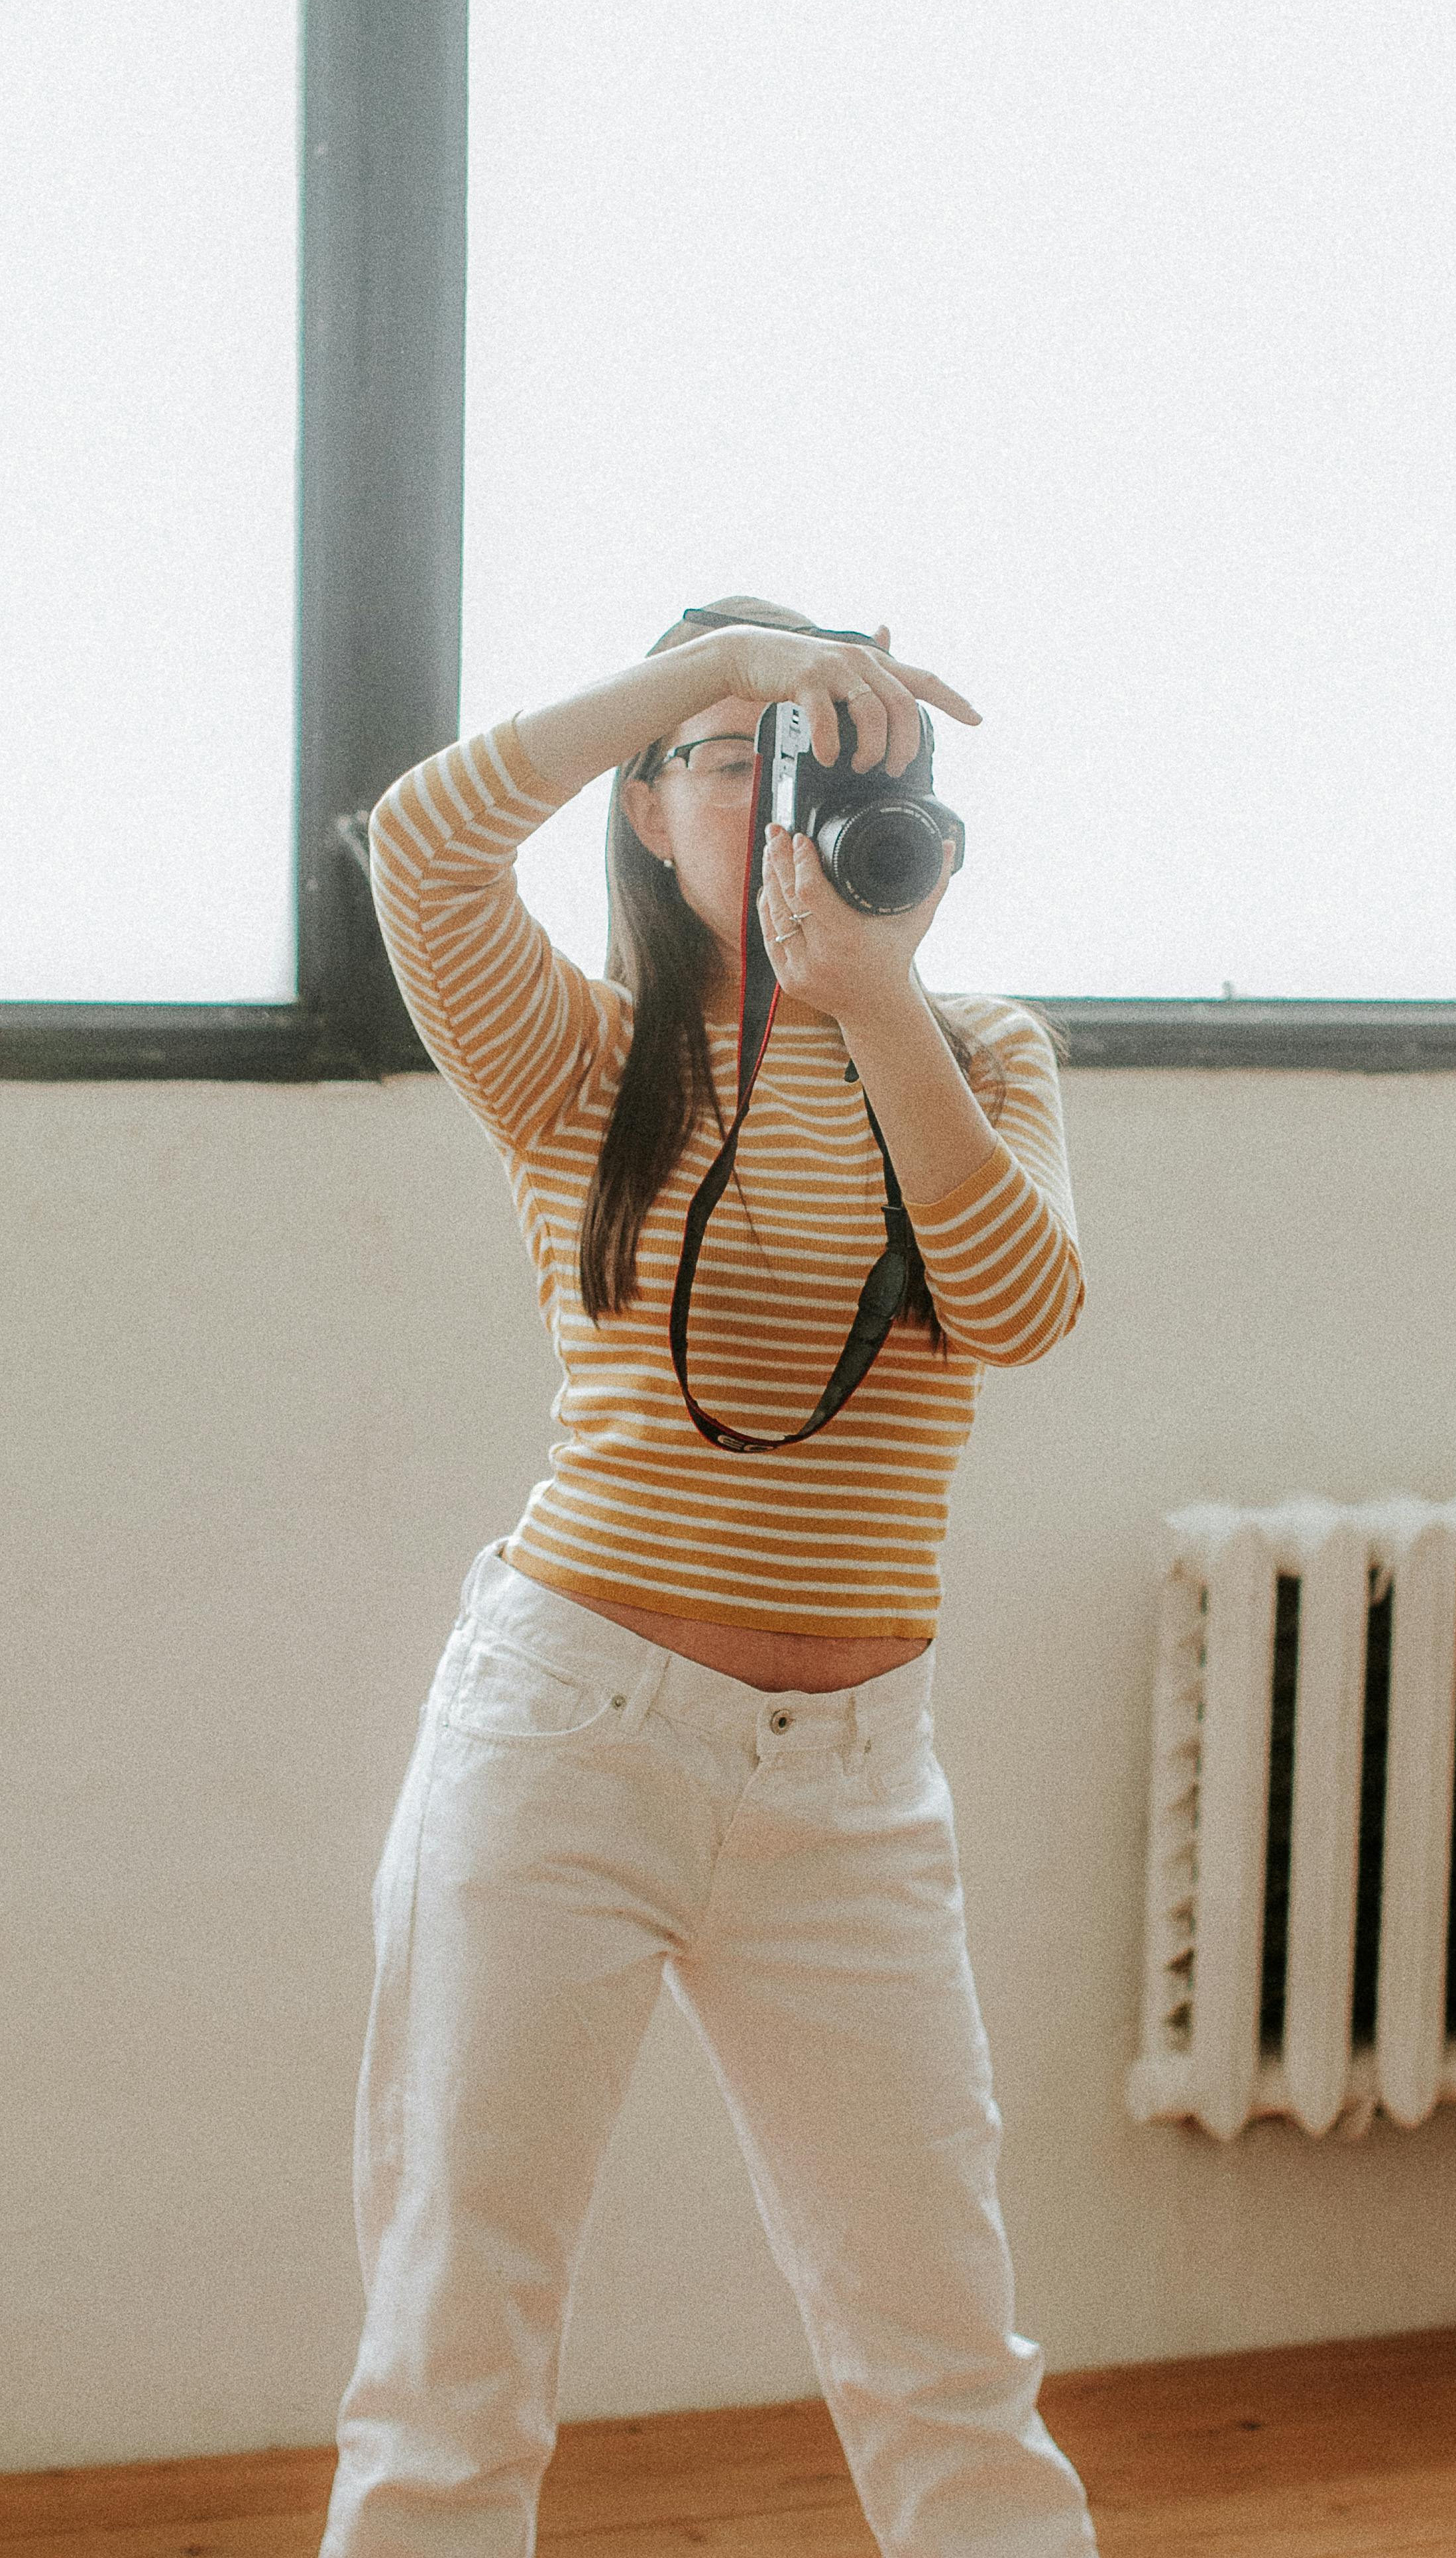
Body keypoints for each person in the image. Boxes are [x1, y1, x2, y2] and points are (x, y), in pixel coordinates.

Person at [318, 594, 1098, 2558]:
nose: (784, 793)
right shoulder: (585, 1056)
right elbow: (418, 839)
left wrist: (875, 996)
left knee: (949, 2374)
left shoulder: (982, 1047)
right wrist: (711, 669)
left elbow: (1018, 1306)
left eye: (835, 755)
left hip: (852, 1791)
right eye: (739, 764)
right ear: (648, 811)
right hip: (567, 1738)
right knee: (453, 2362)